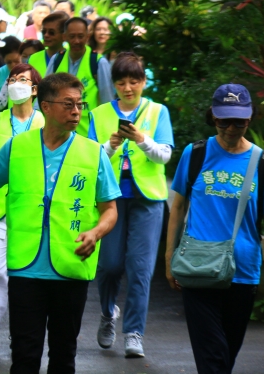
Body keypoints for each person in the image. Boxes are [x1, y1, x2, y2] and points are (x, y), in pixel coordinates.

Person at [0, 72, 120, 373]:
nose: (76, 111)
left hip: (71, 266)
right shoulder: (17, 147)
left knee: (63, 355)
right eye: (68, 104)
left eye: (80, 105)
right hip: (25, 268)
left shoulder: (93, 152)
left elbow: (110, 209)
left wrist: (96, 232)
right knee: (24, 354)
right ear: (45, 106)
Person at [166, 84, 264, 374]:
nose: (231, 128)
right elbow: (178, 207)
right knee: (212, 356)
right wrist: (168, 256)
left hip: (242, 270)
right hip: (197, 266)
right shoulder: (195, 154)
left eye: (239, 121)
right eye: (224, 121)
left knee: (226, 354)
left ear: (250, 119)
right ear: (213, 117)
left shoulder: (263, 163)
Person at [88, 52, 174, 358]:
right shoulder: (98, 114)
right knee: (110, 265)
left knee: (140, 268)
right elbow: (89, 159)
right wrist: (110, 146)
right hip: (110, 198)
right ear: (113, 84)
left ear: (144, 82)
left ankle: (134, 332)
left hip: (148, 198)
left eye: (134, 81)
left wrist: (140, 138)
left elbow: (164, 154)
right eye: (121, 82)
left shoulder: (157, 111)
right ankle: (108, 312)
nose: (128, 87)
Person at [0, 63, 45, 348]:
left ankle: (21, 333)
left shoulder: (45, 122)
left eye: (23, 80)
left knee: (24, 277)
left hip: (33, 211)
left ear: (34, 89)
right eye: (13, 79)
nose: (16, 83)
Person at [46, 17, 115, 136]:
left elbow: (107, 101)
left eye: (80, 36)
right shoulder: (57, 60)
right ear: (64, 37)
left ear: (87, 36)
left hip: (88, 133)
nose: (76, 41)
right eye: (72, 36)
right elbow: (45, 94)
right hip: (59, 132)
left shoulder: (98, 62)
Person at [29, 11, 69, 77]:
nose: (46, 35)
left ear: (64, 36)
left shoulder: (71, 58)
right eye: (44, 32)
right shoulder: (33, 58)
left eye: (51, 32)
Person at [0, 36, 22, 111]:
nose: (13, 65)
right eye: (9, 62)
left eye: (17, 61)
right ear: (3, 59)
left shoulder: (29, 71)